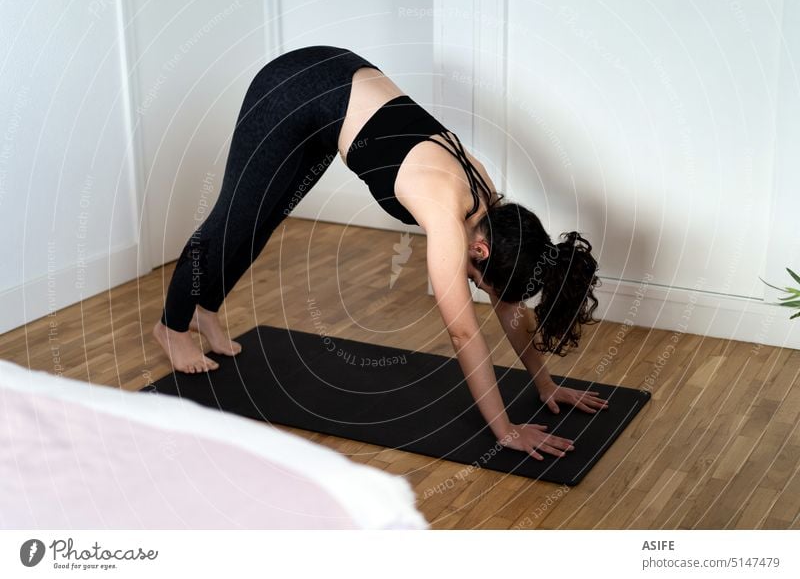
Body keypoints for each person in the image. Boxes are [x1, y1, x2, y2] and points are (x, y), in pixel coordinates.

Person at [153, 45, 607, 459]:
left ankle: (205, 309)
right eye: (477, 277)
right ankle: (172, 328)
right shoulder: (445, 214)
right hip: (294, 86)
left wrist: (544, 382)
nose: (471, 283)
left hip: (334, 95)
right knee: (233, 216)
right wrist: (505, 430)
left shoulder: (491, 206)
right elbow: (465, 336)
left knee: (265, 216)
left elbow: (507, 306)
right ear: (481, 249)